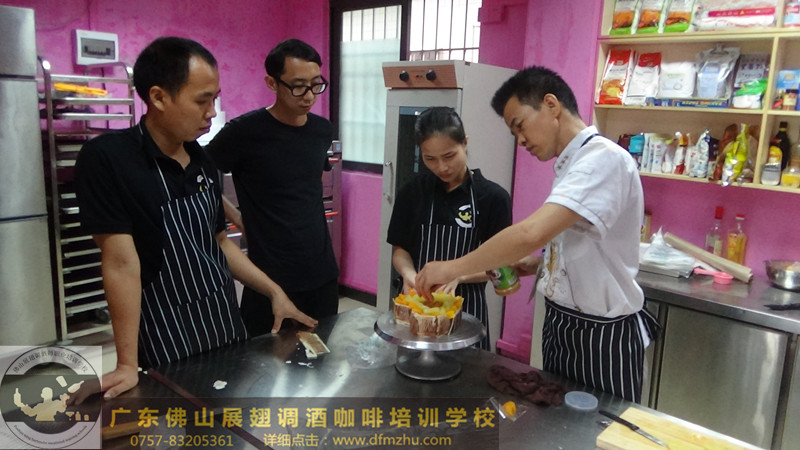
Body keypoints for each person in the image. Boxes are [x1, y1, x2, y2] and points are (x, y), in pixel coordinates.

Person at [75, 37, 316, 399]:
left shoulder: (202, 160)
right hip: (165, 331)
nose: (212, 112)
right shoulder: (108, 159)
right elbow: (121, 263)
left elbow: (218, 242)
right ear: (159, 97)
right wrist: (126, 363)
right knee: (179, 417)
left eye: (215, 98)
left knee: (232, 411)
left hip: (222, 318)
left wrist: (274, 292)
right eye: (202, 101)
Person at [415, 66, 659, 403]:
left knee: (602, 425)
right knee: (559, 421)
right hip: (563, 325)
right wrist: (539, 265)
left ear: (551, 105)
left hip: (602, 335)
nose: (520, 140)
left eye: (520, 125)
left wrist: (450, 268)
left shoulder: (603, 159)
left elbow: (532, 232)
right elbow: (583, 246)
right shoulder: (571, 165)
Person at [205, 39, 339, 336]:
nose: (309, 96)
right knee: (263, 359)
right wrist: (236, 216)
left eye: (316, 85)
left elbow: (309, 186)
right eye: (298, 86)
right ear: (272, 83)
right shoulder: (244, 132)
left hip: (322, 272)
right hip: (269, 278)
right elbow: (199, 177)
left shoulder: (321, 130)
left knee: (321, 353)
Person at [387, 107, 511, 350]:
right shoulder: (412, 192)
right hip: (419, 304)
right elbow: (400, 250)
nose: (442, 167)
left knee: (467, 371)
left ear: (465, 143)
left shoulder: (493, 198)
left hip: (468, 309)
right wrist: (411, 276)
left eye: (449, 155)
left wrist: (459, 274)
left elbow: (501, 264)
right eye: (430, 159)